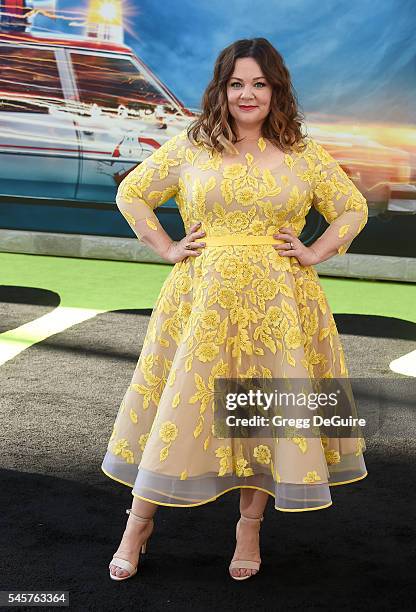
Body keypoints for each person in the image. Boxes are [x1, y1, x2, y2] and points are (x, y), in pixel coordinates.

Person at [102, 37, 369, 582]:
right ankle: (137, 525)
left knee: (261, 412)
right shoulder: (193, 146)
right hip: (200, 299)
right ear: (221, 89)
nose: (248, 94)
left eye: (260, 84)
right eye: (237, 83)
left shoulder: (302, 152)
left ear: (277, 90)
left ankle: (249, 529)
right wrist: (167, 246)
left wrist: (315, 252)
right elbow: (132, 192)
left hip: (278, 303)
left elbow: (352, 208)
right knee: (178, 409)